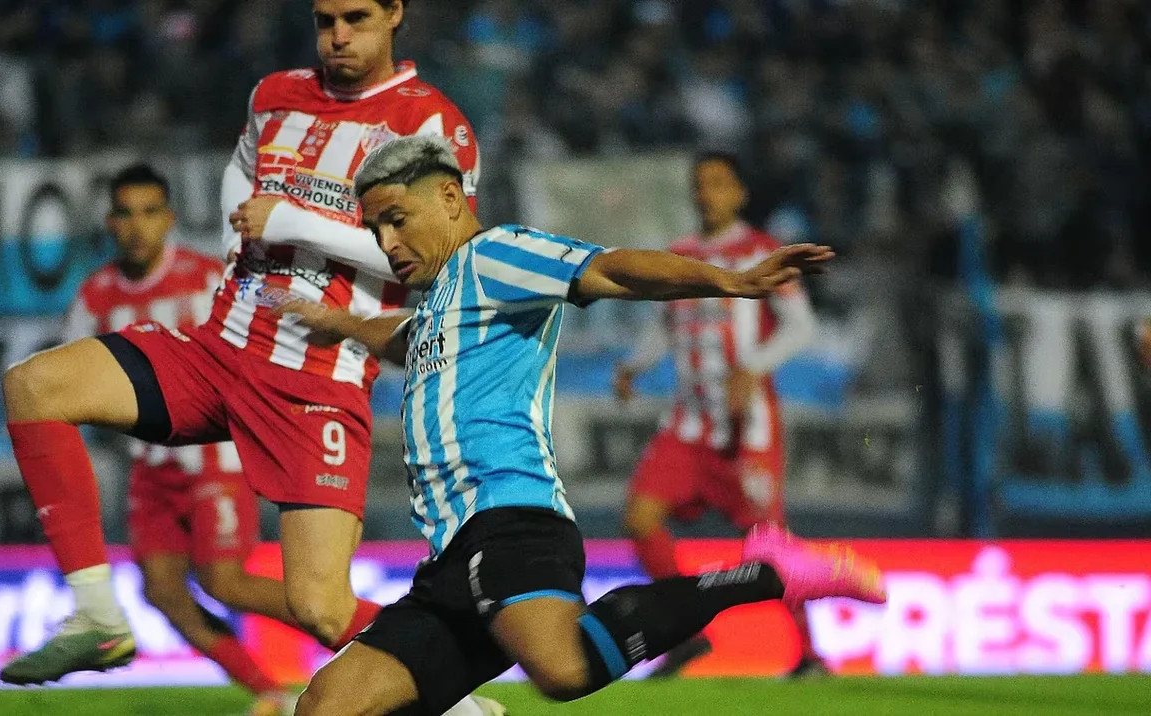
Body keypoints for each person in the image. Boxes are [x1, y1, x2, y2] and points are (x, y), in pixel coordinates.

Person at [262, 135, 885, 716]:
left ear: (451, 198)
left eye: (398, 219)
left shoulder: (496, 255)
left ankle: (767, 572)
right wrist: (339, 324)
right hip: (449, 557)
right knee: (328, 705)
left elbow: (610, 269)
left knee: (562, 670)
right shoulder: (441, 303)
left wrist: (733, 281)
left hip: (510, 521)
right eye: (376, 229)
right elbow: (401, 339)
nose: (387, 242)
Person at [0, 4, 502, 713]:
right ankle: (97, 617)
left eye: (356, 17)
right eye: (325, 18)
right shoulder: (274, 95)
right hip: (218, 350)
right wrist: (243, 237)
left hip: (314, 380)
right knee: (34, 386)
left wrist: (291, 222)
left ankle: (458, 696)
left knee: (321, 607)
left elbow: (440, 254)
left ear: (395, 13)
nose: (338, 35)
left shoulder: (429, 123)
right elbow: (244, 173)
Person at [12, 164, 295, 713]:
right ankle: (271, 693)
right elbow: (65, 384)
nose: (137, 226)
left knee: (226, 581)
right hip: (151, 470)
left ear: (168, 218)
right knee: (162, 593)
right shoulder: (94, 297)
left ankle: (375, 634)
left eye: (148, 212)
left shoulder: (206, 277)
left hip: (215, 459)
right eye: (125, 213)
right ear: (109, 222)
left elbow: (257, 350)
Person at [612, 152, 822, 677]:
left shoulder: (763, 253)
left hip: (745, 430)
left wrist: (752, 368)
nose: (707, 193)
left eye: (718, 183)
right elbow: (666, 326)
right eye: (700, 184)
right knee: (640, 517)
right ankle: (684, 635)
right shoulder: (680, 255)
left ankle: (811, 655)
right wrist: (635, 366)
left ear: (739, 193)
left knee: (769, 546)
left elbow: (801, 328)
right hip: (687, 424)